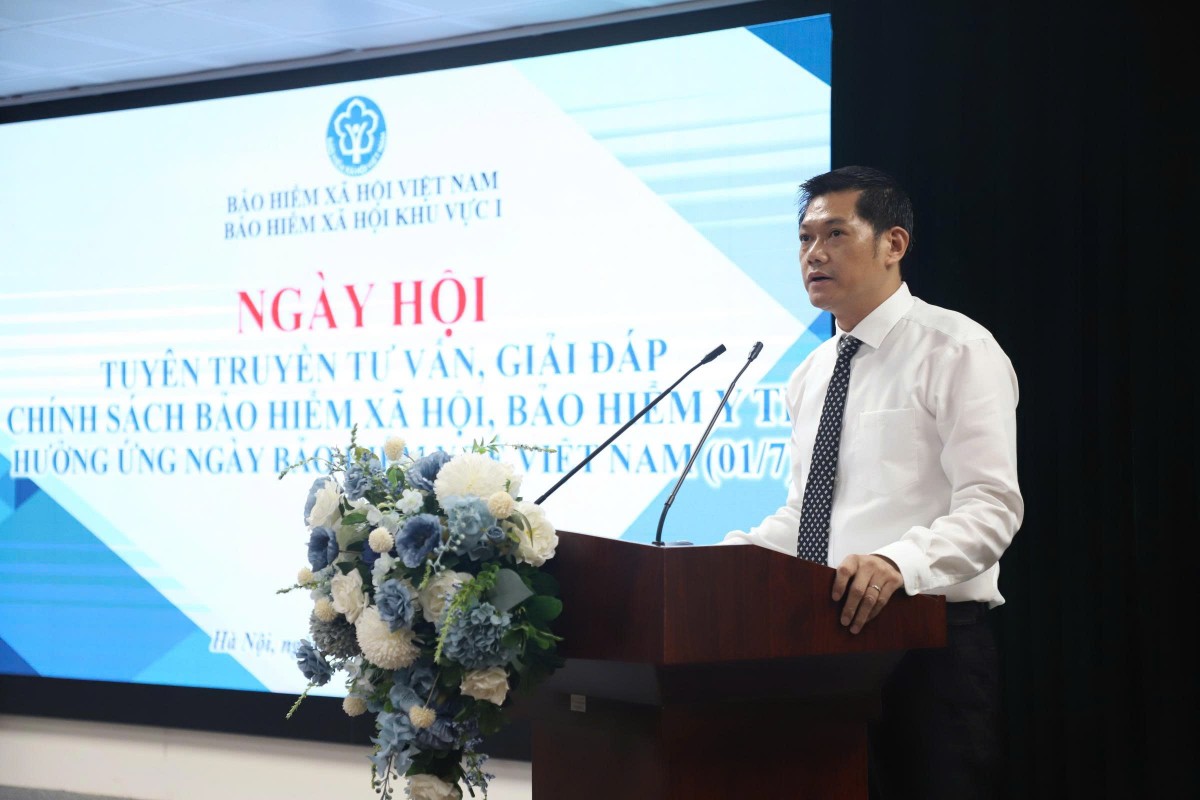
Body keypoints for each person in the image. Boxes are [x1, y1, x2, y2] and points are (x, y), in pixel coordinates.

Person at [722, 165, 1023, 799]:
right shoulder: (808, 374)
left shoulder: (957, 349)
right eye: (805, 238)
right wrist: (726, 562)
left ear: (894, 244)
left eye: (835, 233)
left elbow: (992, 505)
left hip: (928, 645)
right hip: (823, 650)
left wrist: (897, 563)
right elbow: (809, 515)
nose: (814, 254)